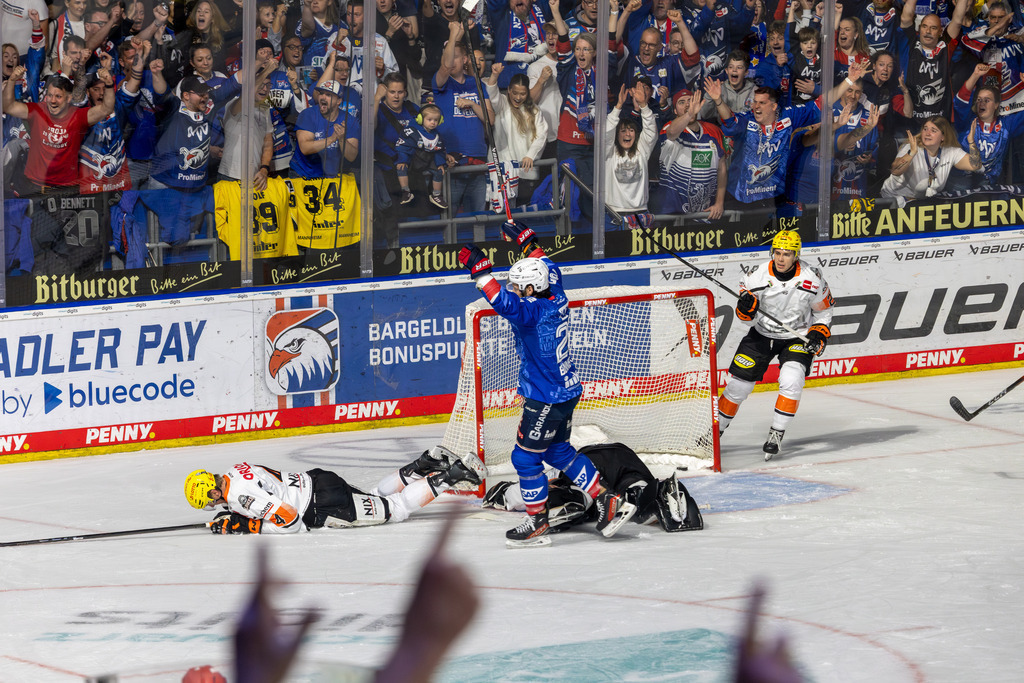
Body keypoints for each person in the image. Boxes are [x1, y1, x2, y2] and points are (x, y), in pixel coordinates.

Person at [457, 220, 634, 546]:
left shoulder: (533, 311)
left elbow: (504, 303)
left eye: (516, 286)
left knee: (525, 459)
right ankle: (609, 500)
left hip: (546, 397)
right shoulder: (554, 290)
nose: (512, 289)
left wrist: (480, 271)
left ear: (528, 290)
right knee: (558, 451)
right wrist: (525, 240)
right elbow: (545, 262)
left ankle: (537, 522)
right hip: (565, 391)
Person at [717, 230, 835, 460]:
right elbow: (745, 318)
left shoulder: (813, 279)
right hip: (761, 335)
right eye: (777, 253)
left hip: (796, 338)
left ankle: (776, 433)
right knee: (738, 387)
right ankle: (713, 434)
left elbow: (824, 311)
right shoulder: (755, 278)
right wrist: (746, 308)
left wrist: (819, 334)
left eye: (787, 254)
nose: (781, 259)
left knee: (792, 380)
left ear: (797, 255)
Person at [183, 446, 484, 534]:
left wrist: (249, 525)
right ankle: (425, 462)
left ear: (211, 492)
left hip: (323, 507)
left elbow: (289, 522)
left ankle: (456, 474)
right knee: (376, 495)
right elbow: (262, 490)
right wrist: (237, 514)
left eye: (209, 502)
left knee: (396, 509)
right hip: (320, 481)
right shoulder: (235, 471)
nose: (213, 506)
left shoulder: (239, 495)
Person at [481, 442, 704, 535]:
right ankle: (663, 493)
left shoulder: (544, 476)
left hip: (588, 462)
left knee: (578, 498)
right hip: (625, 457)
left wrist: (501, 493)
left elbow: (520, 495)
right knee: (636, 493)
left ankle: (573, 500)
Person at [880, 115, 982, 203]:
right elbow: (895, 171)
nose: (927, 133)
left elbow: (975, 165)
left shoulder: (950, 151)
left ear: (943, 136)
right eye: (925, 129)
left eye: (933, 130)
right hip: (895, 199)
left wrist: (971, 142)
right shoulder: (911, 147)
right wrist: (911, 154)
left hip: (921, 200)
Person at [605, 80, 657, 229]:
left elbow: (651, 132)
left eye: (631, 130)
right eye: (623, 130)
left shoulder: (642, 150)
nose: (627, 134)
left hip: (641, 212)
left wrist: (644, 106)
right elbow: (606, 133)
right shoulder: (608, 152)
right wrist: (618, 107)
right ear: (617, 134)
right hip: (615, 214)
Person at [395, 102, 447, 208]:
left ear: (440, 121)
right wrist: (403, 160)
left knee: (439, 171)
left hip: (428, 160)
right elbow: (403, 148)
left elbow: (439, 151)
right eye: (429, 119)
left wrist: (440, 164)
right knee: (401, 168)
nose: (433, 123)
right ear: (420, 119)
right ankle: (406, 192)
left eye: (436, 120)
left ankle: (436, 195)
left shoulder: (437, 136)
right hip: (413, 160)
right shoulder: (411, 132)